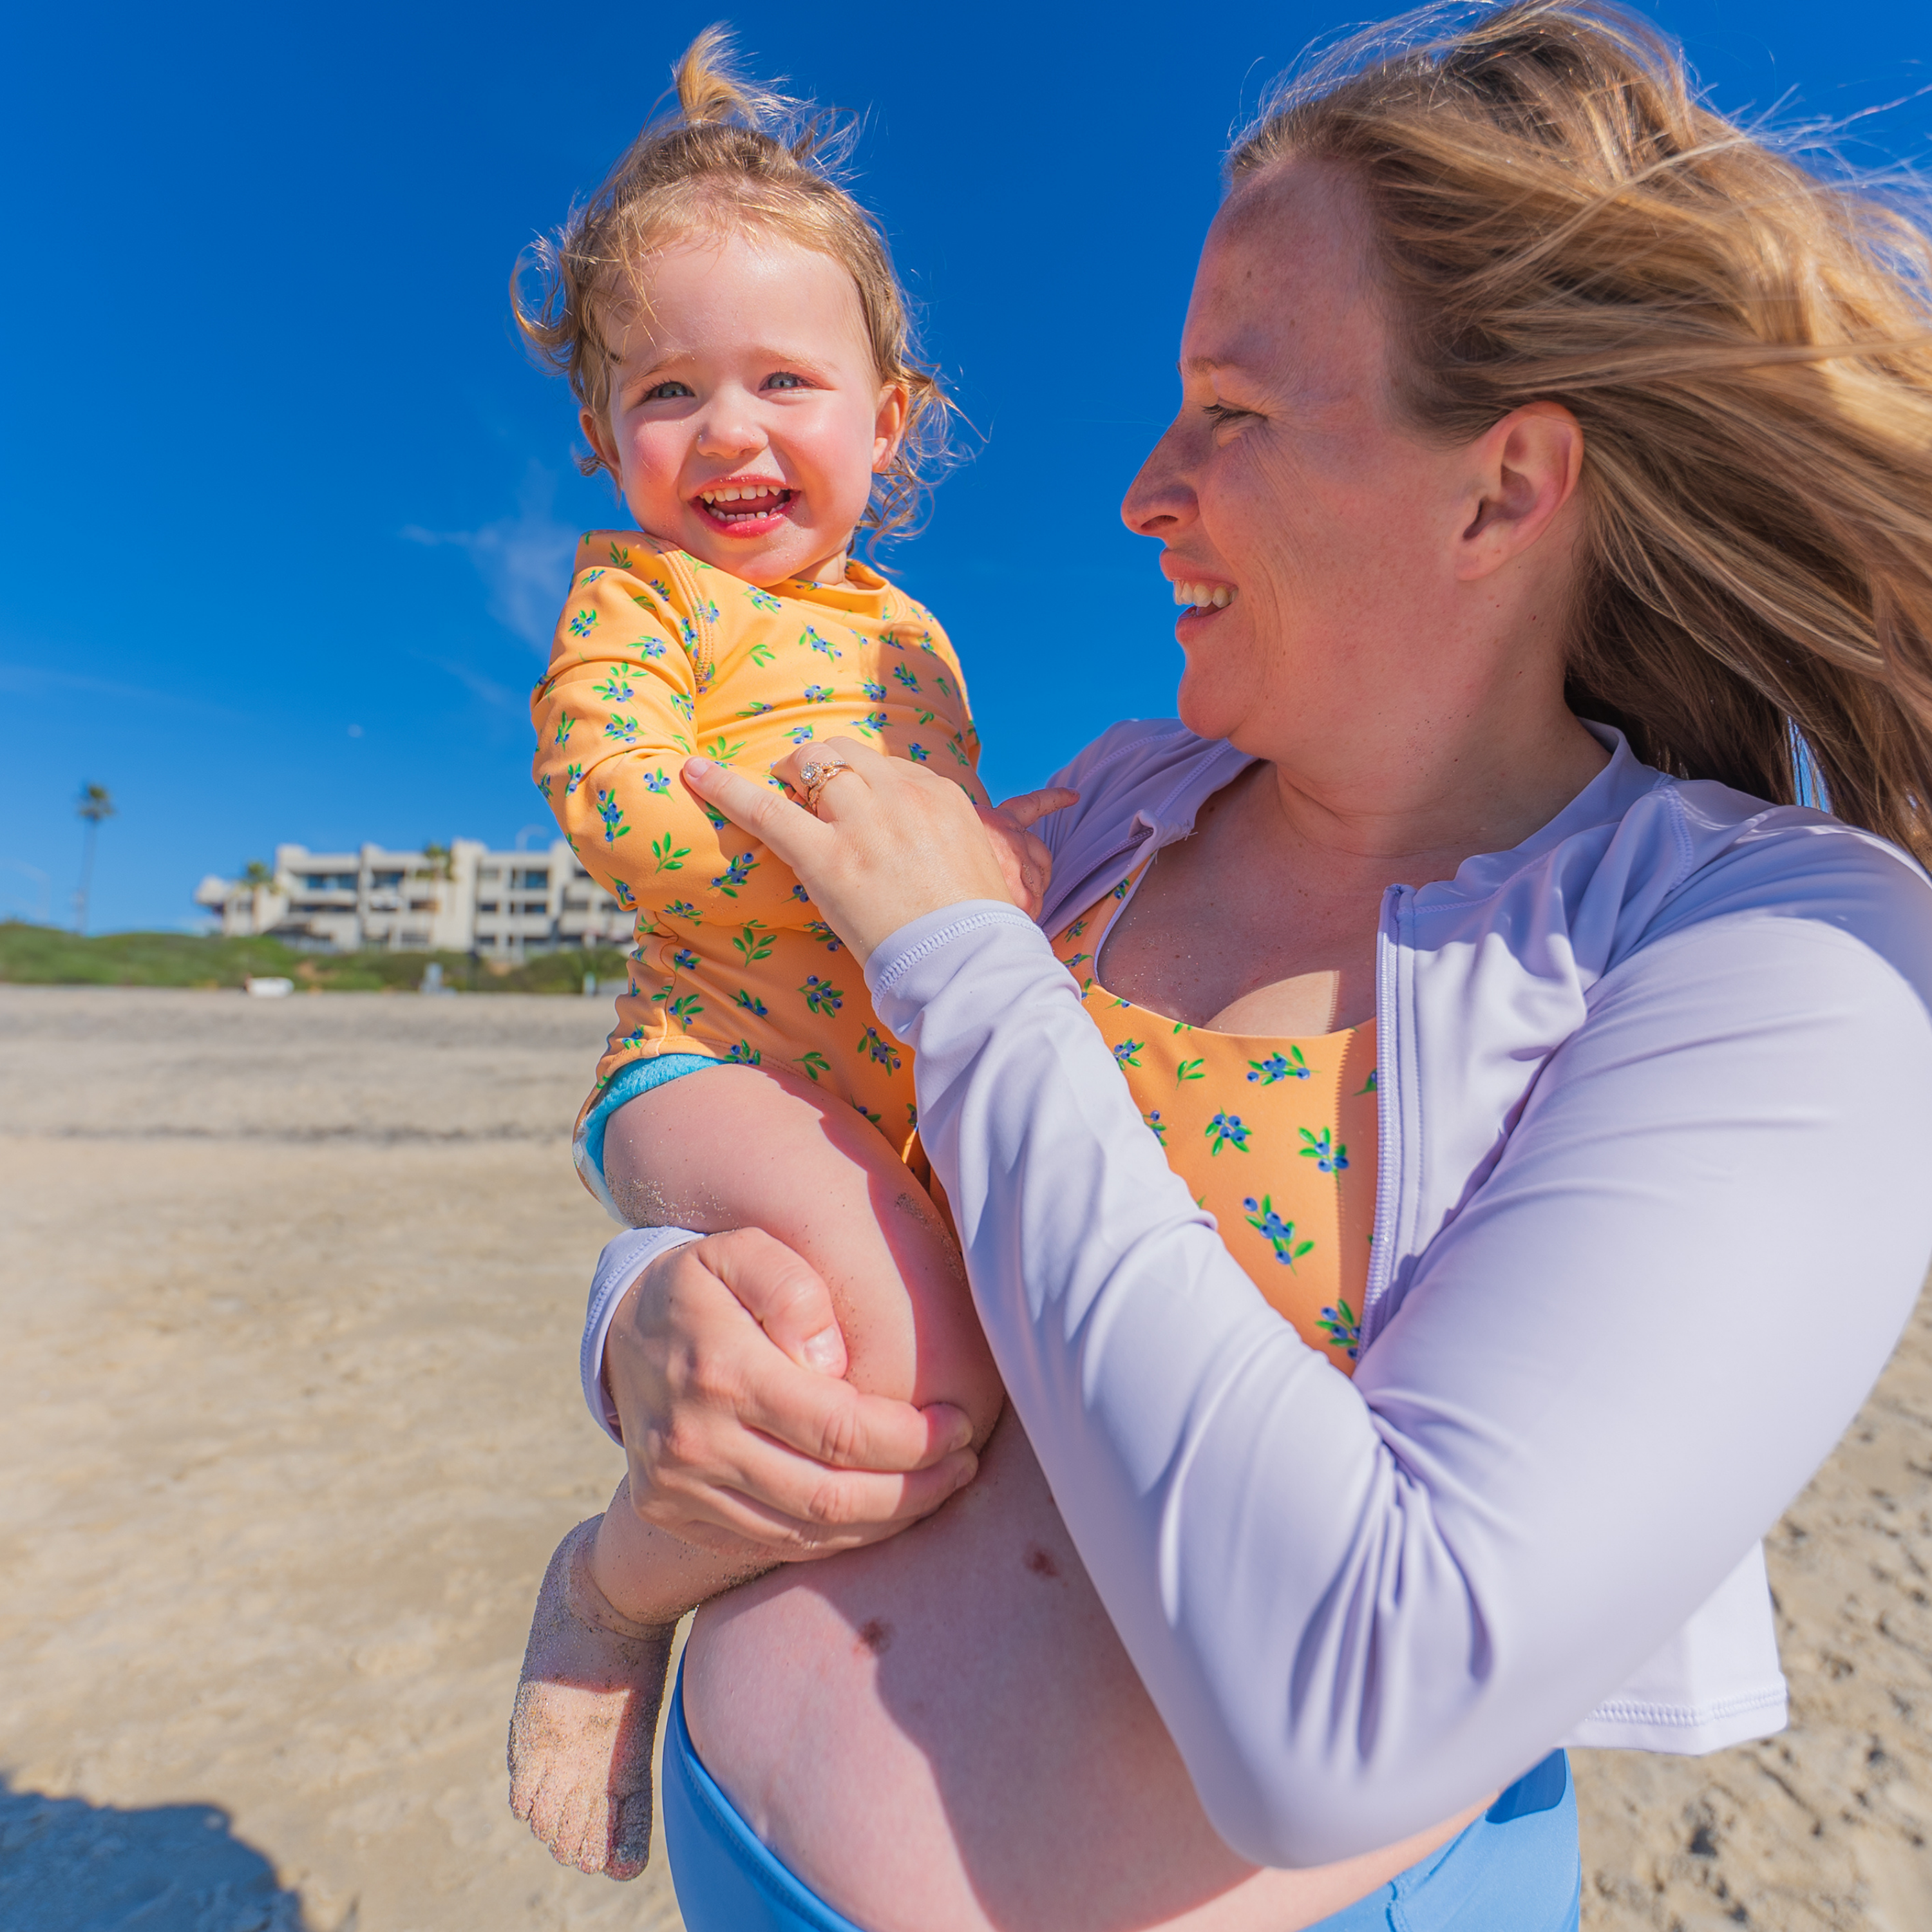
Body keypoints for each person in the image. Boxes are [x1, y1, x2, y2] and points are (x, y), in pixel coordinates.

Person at [559, 4, 1932, 1927]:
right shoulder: (1126, 798)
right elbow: (807, 1084)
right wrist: (642, 1315)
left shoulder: (1772, 940)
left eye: (1234, 411)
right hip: (737, 1852)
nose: (1144, 489)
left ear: (1502, 490)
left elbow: (1347, 1716)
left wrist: (971, 966)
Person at [504, 29, 1048, 1875]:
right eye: (669, 391)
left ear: (890, 420)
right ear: (607, 440)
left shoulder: (915, 635)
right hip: (707, 1064)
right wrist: (848, 867)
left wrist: (997, 868)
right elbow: (606, 789)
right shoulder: (639, 595)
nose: (730, 431)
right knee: (907, 1365)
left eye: (785, 381)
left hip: (880, 1091)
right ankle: (614, 1589)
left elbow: (959, 848)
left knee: (916, 1332)